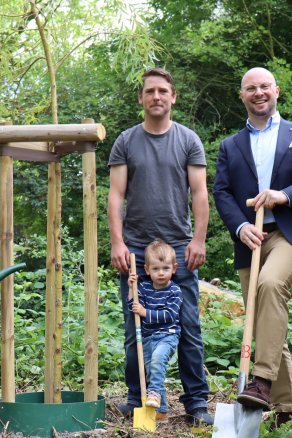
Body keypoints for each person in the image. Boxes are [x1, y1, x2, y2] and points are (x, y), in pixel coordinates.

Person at [212, 67, 292, 425]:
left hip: (290, 234)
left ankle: (260, 380)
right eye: (251, 88)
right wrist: (239, 226)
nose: (259, 92)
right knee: (263, 320)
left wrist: (285, 195)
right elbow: (222, 191)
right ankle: (287, 409)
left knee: (270, 285)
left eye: (265, 86)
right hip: (251, 237)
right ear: (242, 95)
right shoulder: (230, 146)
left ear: (276, 91)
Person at [107, 67, 213, 426]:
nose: (156, 97)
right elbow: (116, 195)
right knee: (134, 326)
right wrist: (117, 243)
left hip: (179, 248)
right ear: (141, 98)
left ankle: (196, 402)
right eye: (150, 91)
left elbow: (199, 194)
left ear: (173, 97)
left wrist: (198, 240)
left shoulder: (188, 140)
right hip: (136, 250)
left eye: (163, 91)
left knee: (187, 327)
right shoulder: (125, 141)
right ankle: (139, 400)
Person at [126, 239, 183, 420]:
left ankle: (154, 395)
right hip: (149, 337)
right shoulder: (143, 287)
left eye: (165, 268)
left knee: (158, 361)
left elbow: (170, 315)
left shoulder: (175, 291)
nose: (161, 273)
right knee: (153, 372)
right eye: (156, 269)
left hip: (168, 335)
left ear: (174, 269)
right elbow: (133, 306)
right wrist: (131, 288)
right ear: (147, 270)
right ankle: (162, 411)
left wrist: (145, 312)